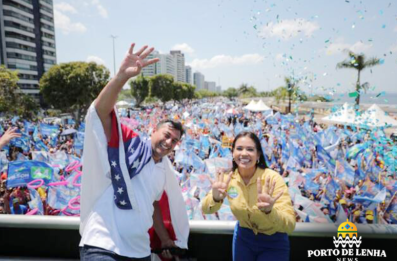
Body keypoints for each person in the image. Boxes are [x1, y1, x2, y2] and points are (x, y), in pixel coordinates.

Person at [79, 43, 189, 261]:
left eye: (175, 141)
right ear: (153, 131)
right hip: (103, 246)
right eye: (166, 135)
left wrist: (165, 239)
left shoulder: (162, 172)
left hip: (139, 252)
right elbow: (100, 113)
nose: (169, 142)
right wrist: (121, 77)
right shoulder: (127, 144)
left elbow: (153, 205)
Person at [201, 131, 296, 261]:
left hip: (274, 242)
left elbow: (290, 225)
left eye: (250, 149)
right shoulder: (226, 179)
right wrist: (216, 197)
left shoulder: (272, 179)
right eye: (239, 148)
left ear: (258, 155)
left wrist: (270, 211)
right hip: (243, 240)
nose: (244, 153)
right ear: (233, 153)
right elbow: (206, 209)